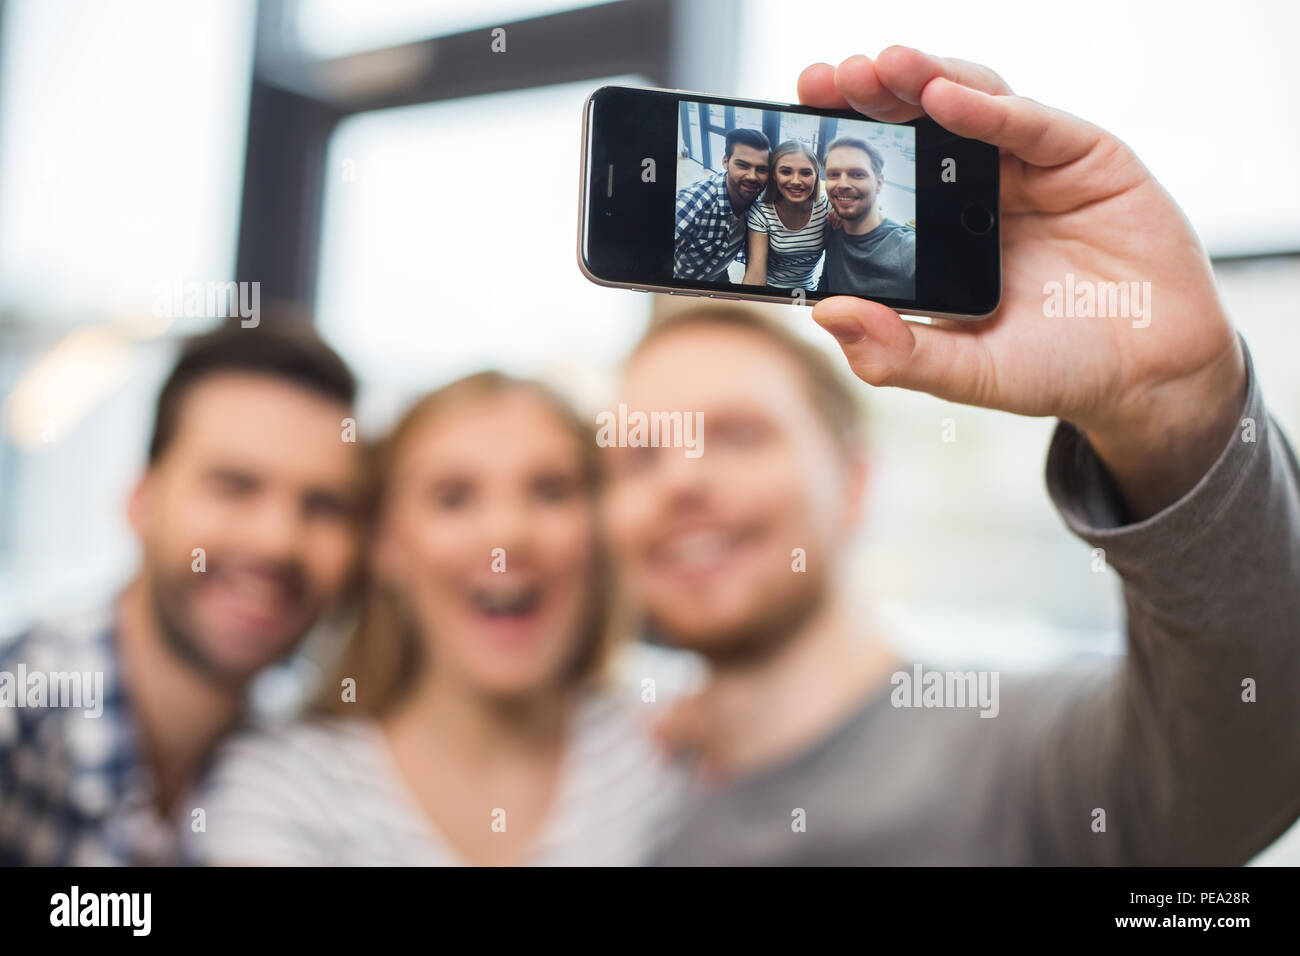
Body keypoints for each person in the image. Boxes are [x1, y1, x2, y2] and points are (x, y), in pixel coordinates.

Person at [601, 46, 1299, 866]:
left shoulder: (1023, 756)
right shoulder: (610, 786)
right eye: (640, 457)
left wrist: (1171, 405)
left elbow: (1253, 743)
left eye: (739, 435)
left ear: (855, 479)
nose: (682, 479)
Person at [188, 372, 681, 866]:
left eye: (551, 492)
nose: (506, 535)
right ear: (387, 545)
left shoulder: (664, 750)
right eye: (454, 497)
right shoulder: (283, 791)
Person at [0, 318, 366, 864]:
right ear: (141, 501)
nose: (278, 541)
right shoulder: (20, 720)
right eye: (234, 486)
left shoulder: (291, 776)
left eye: (321, 505)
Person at [817, 136, 916, 300]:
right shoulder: (833, 227)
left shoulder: (907, 249)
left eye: (857, 174)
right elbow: (827, 281)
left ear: (879, 183)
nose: (842, 184)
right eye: (833, 174)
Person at [674, 128, 771, 282]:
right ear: (725, 162)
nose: (752, 176)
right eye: (743, 165)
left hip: (719, 276)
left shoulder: (760, 202)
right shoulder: (692, 203)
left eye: (761, 169)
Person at [742, 140, 831, 290]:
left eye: (805, 173)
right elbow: (756, 274)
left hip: (808, 290)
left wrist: (842, 215)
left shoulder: (826, 205)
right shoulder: (762, 211)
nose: (796, 181)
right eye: (786, 172)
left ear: (816, 176)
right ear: (774, 175)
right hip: (771, 290)